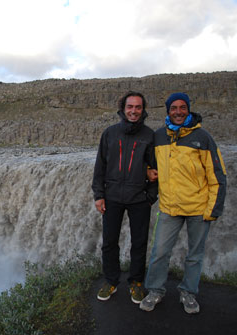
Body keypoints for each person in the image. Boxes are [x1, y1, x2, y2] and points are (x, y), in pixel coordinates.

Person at [140, 92, 227, 314]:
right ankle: (155, 290)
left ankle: (188, 293)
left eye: (182, 108)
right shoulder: (159, 136)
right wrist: (148, 171)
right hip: (169, 208)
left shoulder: (203, 137)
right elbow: (148, 163)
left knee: (194, 255)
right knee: (159, 251)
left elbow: (217, 175)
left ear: (188, 109)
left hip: (199, 209)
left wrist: (213, 209)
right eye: (173, 108)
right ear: (168, 111)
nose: (178, 112)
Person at [91, 91, 157, 304]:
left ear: (143, 109)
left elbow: (156, 169)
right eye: (130, 107)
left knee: (139, 243)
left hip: (139, 198)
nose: (134, 111)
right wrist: (99, 195)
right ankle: (111, 280)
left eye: (138, 107)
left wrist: (150, 197)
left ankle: (136, 283)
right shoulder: (110, 133)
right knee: (110, 242)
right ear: (123, 108)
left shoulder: (149, 135)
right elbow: (100, 166)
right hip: (112, 198)